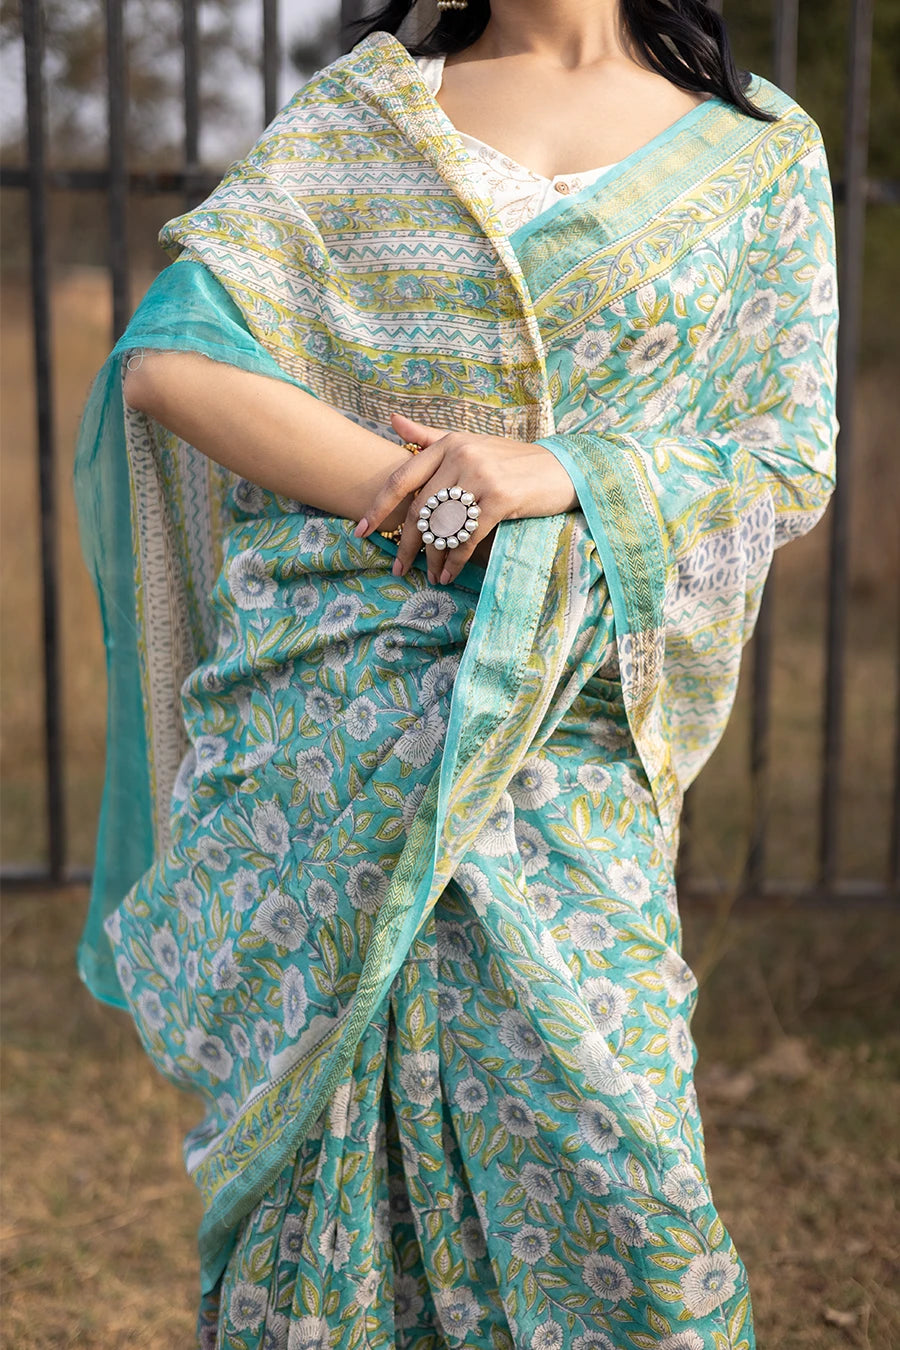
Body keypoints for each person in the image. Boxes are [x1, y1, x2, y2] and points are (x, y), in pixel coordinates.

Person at [72, 1, 839, 1346]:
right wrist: (430, 494)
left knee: (624, 1170)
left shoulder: (758, 156)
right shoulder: (373, 117)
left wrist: (555, 474)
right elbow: (175, 361)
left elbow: (786, 457)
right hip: (330, 719)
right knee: (324, 1185)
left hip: (563, 729)